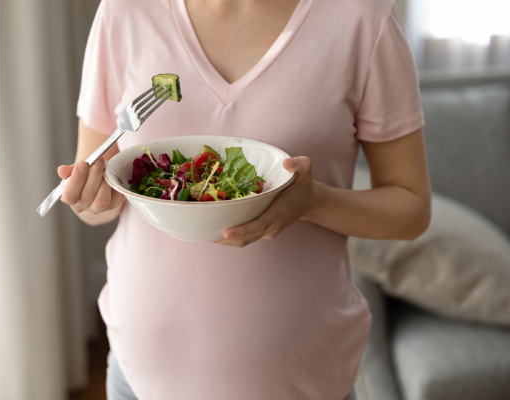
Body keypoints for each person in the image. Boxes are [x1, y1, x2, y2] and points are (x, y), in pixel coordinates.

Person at [57, 0, 431, 398]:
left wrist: (314, 202)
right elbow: (97, 197)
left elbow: (412, 209)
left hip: (301, 381)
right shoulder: (124, 11)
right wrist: (92, 198)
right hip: (136, 378)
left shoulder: (363, 17)